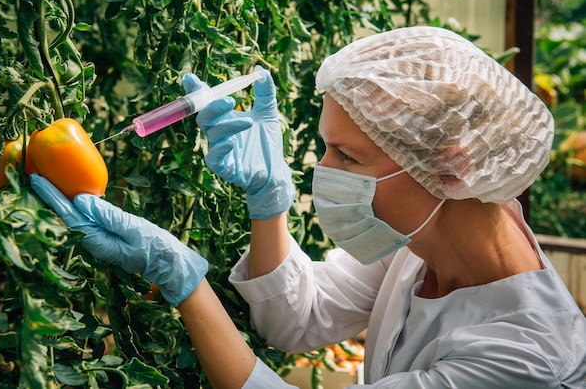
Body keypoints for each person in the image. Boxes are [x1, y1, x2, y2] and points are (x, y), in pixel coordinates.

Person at [31, 26, 586, 388]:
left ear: (452, 167)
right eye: (326, 146)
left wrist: (182, 279)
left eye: (346, 155)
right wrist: (266, 204)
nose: (322, 171)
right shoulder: (424, 241)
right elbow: (298, 318)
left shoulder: (526, 357)